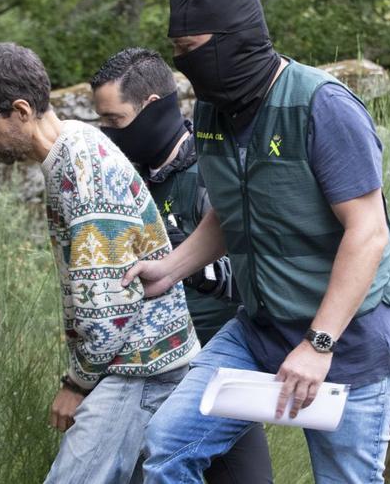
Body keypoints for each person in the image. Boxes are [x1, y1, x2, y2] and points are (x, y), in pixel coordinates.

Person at [120, 0, 390, 482]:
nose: (183, 63)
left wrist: (318, 344)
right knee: (168, 444)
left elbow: (368, 233)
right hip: (260, 329)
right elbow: (231, 212)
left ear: (236, 41)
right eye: (175, 49)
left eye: (192, 47)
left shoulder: (322, 106)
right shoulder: (215, 111)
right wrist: (171, 269)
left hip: (351, 342)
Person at [0, 42, 198, 483]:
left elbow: (108, 306)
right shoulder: (73, 149)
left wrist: (76, 385)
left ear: (22, 110)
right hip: (133, 361)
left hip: (137, 366)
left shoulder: (81, 169)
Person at [90, 47, 272, 483]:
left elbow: (251, 274)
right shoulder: (120, 181)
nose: (107, 132)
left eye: (115, 120)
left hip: (216, 365)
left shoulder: (216, 170)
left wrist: (181, 260)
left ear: (152, 108)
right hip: (141, 372)